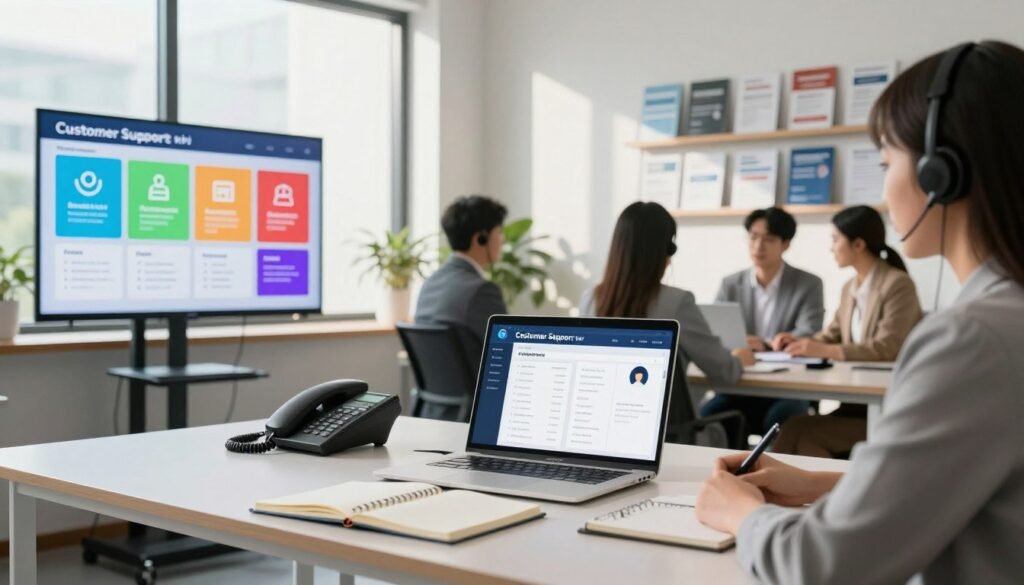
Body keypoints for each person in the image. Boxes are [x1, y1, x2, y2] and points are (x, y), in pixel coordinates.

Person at [695, 41, 1024, 583]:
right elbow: (959, 485)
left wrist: (742, 514)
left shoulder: (972, 340)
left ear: (942, 174)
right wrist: (822, 485)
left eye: (886, 161)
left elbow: (823, 567)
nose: (884, 184)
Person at [580, 201, 755, 443]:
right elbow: (723, 371)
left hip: (605, 439)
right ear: (665, 250)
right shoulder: (677, 302)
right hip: (669, 440)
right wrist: (739, 359)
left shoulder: (590, 299)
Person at [771, 205, 923, 458]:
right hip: (855, 405)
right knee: (794, 428)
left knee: (808, 437)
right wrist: (797, 342)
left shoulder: (898, 284)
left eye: (835, 239)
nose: (831, 248)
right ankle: (769, 492)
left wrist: (822, 349)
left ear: (858, 245)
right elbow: (831, 335)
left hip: (888, 408)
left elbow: (887, 347)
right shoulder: (850, 287)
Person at [700, 207, 825, 437]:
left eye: (769, 239)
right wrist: (739, 344)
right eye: (754, 237)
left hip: (789, 386)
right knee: (706, 415)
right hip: (740, 383)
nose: (759, 246)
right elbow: (716, 332)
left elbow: (809, 329)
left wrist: (766, 345)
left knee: (782, 418)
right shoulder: (730, 283)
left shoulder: (808, 284)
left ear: (785, 244)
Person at [415, 195, 508, 365]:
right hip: (478, 391)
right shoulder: (482, 291)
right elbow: (505, 355)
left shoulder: (430, 283)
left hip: (440, 392)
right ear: (481, 238)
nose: (503, 239)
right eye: (499, 232)